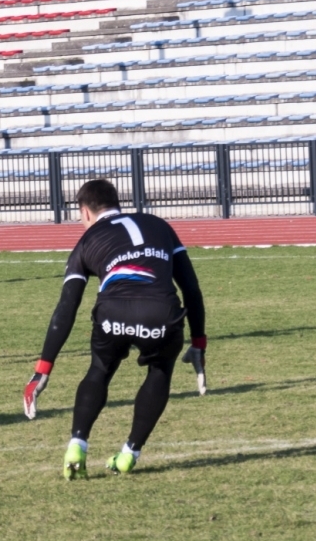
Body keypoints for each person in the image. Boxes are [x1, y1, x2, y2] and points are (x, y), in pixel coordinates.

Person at [23, 178, 207, 478]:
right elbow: (191, 288)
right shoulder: (159, 224)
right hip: (161, 312)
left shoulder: (86, 241)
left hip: (113, 311)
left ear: (84, 212)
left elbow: (66, 307)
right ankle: (128, 454)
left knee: (100, 368)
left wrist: (43, 368)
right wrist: (199, 341)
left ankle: (76, 445)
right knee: (160, 370)